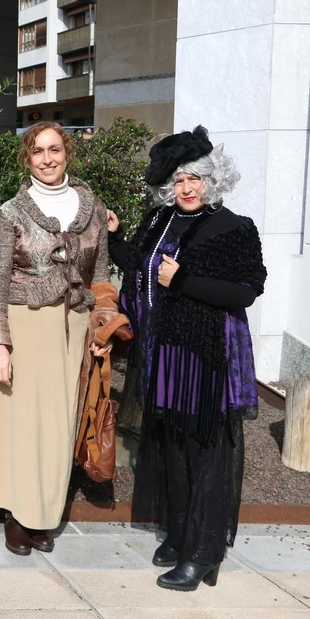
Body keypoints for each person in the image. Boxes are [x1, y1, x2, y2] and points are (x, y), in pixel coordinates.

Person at [109, 127, 265, 591]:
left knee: (206, 452)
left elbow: (246, 291)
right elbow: (141, 267)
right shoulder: (160, 220)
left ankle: (203, 553)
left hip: (207, 358)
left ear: (212, 180)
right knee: (173, 445)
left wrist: (184, 282)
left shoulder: (233, 226)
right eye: (179, 180)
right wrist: (116, 239)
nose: (187, 188)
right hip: (166, 355)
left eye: (196, 178)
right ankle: (179, 535)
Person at [0, 121, 111, 555]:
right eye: (37, 151)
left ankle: (44, 512)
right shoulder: (12, 211)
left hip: (74, 325)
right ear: (27, 158)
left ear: (67, 152)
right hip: (25, 321)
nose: (47, 158)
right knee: (21, 420)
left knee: (59, 421)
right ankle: (16, 514)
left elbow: (101, 274)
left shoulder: (93, 207)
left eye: (54, 149)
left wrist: (104, 325)